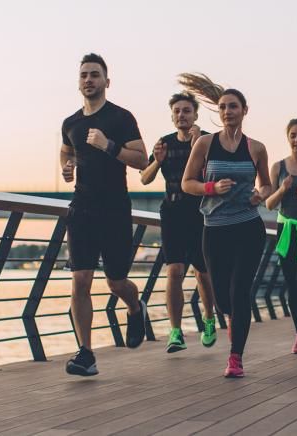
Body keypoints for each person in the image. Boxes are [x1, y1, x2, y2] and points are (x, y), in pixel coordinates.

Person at [60, 53, 149, 376]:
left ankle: (135, 306)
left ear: (106, 82)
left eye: (95, 75)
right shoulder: (70, 123)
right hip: (81, 208)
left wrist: (108, 146)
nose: (88, 80)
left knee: (115, 282)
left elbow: (142, 160)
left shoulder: (121, 118)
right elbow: (66, 150)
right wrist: (66, 168)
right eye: (84, 74)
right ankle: (86, 354)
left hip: (114, 209)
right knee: (80, 280)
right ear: (78, 81)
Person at [180, 73, 272, 378]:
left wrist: (261, 194)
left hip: (248, 227)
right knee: (221, 297)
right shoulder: (205, 144)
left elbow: (268, 185)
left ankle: (236, 358)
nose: (227, 112)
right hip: (215, 228)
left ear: (244, 110)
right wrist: (210, 189)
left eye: (233, 106)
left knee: (240, 290)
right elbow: (187, 183)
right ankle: (232, 318)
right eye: (222, 107)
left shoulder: (256, 148)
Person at [140, 92, 218, 352]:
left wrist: (198, 144)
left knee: (203, 274)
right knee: (174, 271)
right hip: (172, 212)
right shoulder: (164, 143)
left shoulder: (207, 141)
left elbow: (212, 174)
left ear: (195, 115)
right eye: (177, 111)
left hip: (201, 213)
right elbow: (145, 178)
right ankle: (176, 332)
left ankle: (208, 318)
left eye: (186, 111)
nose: (181, 115)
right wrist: (157, 161)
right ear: (172, 116)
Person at [265, 118, 297, 354]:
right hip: (286, 231)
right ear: (288, 138)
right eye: (293, 135)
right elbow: (269, 204)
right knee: (292, 284)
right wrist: (283, 189)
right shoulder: (278, 167)